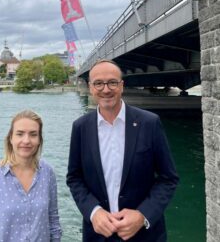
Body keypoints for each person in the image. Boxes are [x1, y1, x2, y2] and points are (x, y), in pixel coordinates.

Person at [67, 59, 179, 241]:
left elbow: (169, 179)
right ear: (90, 87)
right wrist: (94, 212)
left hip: (144, 234)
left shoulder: (149, 123)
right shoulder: (80, 127)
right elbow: (74, 178)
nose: (106, 89)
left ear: (121, 85)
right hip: (98, 234)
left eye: (112, 82)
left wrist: (142, 215)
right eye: (98, 83)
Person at [0, 110, 62, 242]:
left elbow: (53, 222)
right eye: (20, 134)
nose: (26, 140)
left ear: (39, 140)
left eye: (33, 134)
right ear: (10, 138)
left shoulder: (47, 173)